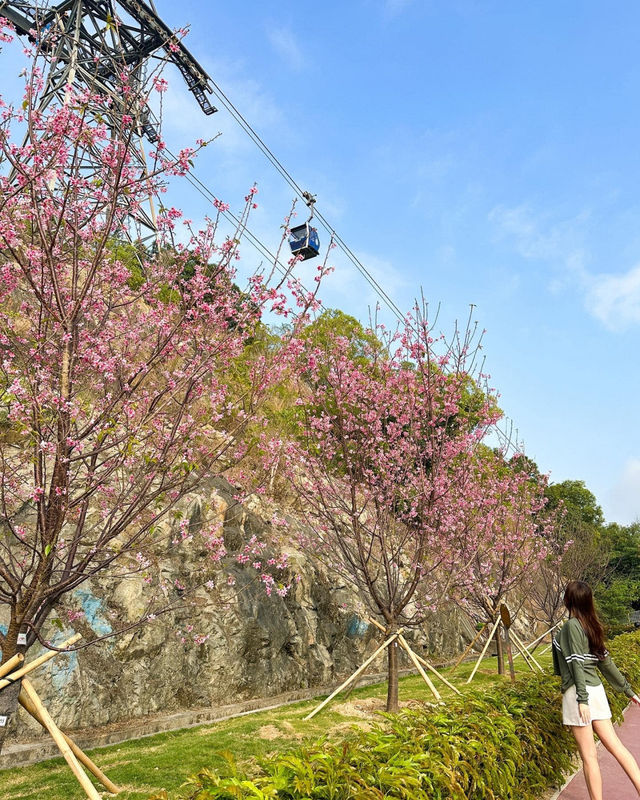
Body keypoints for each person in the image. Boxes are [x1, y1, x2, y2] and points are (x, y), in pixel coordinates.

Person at [553, 580, 640, 800]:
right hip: (597, 692)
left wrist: (582, 699)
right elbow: (606, 664)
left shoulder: (571, 626)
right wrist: (628, 690)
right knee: (617, 748)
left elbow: (575, 665)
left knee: (589, 757)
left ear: (567, 600)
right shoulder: (591, 626)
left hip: (578, 694)